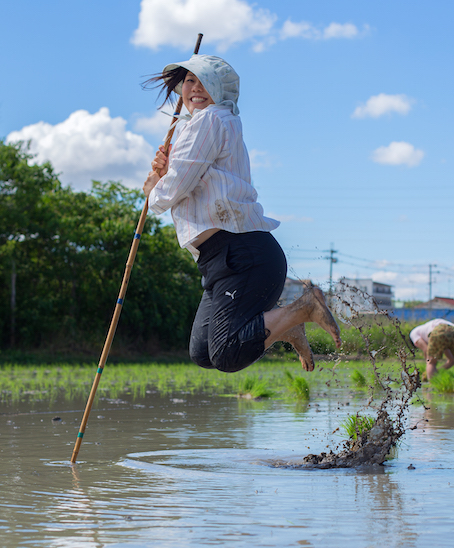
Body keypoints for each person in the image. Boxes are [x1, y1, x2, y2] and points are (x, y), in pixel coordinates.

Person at [141, 55, 341, 373]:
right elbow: (183, 185)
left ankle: (302, 309)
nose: (195, 88)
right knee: (203, 351)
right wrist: (162, 178)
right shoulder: (207, 125)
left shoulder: (210, 121)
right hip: (218, 260)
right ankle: (284, 326)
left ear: (222, 91)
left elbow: (175, 188)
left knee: (227, 353)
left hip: (241, 254)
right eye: (189, 80)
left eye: (205, 81)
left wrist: (154, 189)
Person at [410, 319, 454, 383]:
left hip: (438, 331)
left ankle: (432, 388)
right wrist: (437, 371)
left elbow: (426, 350)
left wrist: (428, 369)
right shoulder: (424, 329)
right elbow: (452, 360)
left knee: (431, 363)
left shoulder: (413, 333)